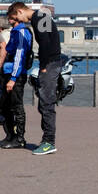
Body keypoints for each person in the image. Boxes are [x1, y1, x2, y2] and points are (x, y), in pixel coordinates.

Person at [0, 3, 33, 149]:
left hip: (16, 74)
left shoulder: (22, 32)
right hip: (7, 71)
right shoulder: (14, 32)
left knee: (16, 106)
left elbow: (19, 55)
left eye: (11, 18)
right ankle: (9, 135)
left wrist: (13, 78)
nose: (9, 20)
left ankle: (19, 138)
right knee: (4, 106)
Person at [30, 8, 62, 155]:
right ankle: (47, 140)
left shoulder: (40, 18)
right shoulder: (43, 18)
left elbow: (44, 42)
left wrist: (43, 65)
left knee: (46, 103)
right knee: (45, 103)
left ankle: (49, 141)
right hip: (53, 62)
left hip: (49, 65)